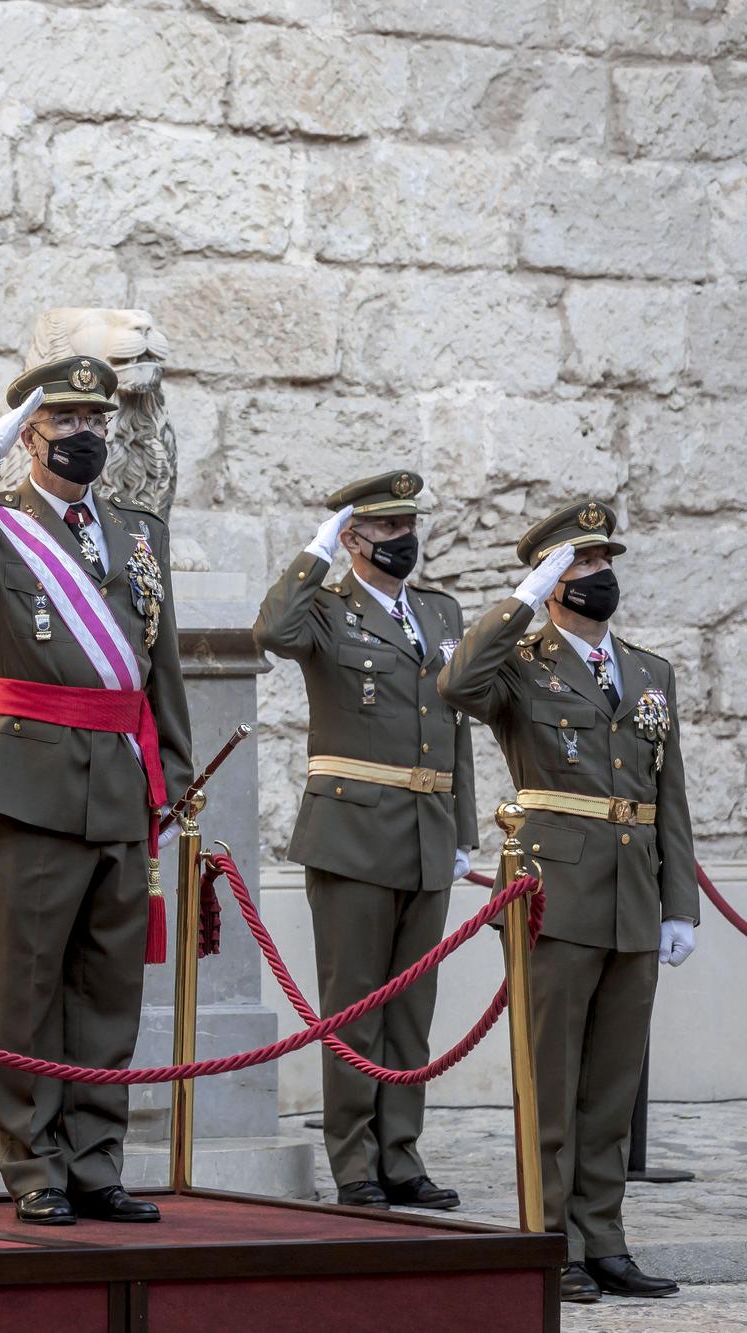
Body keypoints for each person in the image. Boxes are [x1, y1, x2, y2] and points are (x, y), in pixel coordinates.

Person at [0, 356, 193, 1226]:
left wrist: (171, 776)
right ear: (31, 431)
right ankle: (33, 1162)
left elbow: (162, 666)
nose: (85, 437)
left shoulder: (137, 531)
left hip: (119, 783)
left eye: (96, 423)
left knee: (109, 988)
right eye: (64, 421)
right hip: (30, 782)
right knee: (30, 986)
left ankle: (98, 1159)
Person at [438, 500, 696, 1305]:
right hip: (556, 889)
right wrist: (519, 600)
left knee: (612, 1085)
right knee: (552, 1077)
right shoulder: (520, 662)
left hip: (633, 894)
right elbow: (455, 682)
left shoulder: (649, 671)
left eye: (602, 561)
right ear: (552, 581)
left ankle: (605, 1237)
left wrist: (678, 901)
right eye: (580, 566)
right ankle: (551, 1239)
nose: (598, 576)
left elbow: (671, 796)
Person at [252, 471, 477, 1211]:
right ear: (352, 537)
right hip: (352, 830)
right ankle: (355, 1161)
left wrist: (464, 830)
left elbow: (457, 730)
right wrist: (315, 551)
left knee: (412, 1007)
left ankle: (402, 1154)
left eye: (410, 524)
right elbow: (272, 631)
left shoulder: (440, 612)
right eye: (385, 529)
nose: (403, 538)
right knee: (355, 1005)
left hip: (427, 830)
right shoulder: (323, 607)